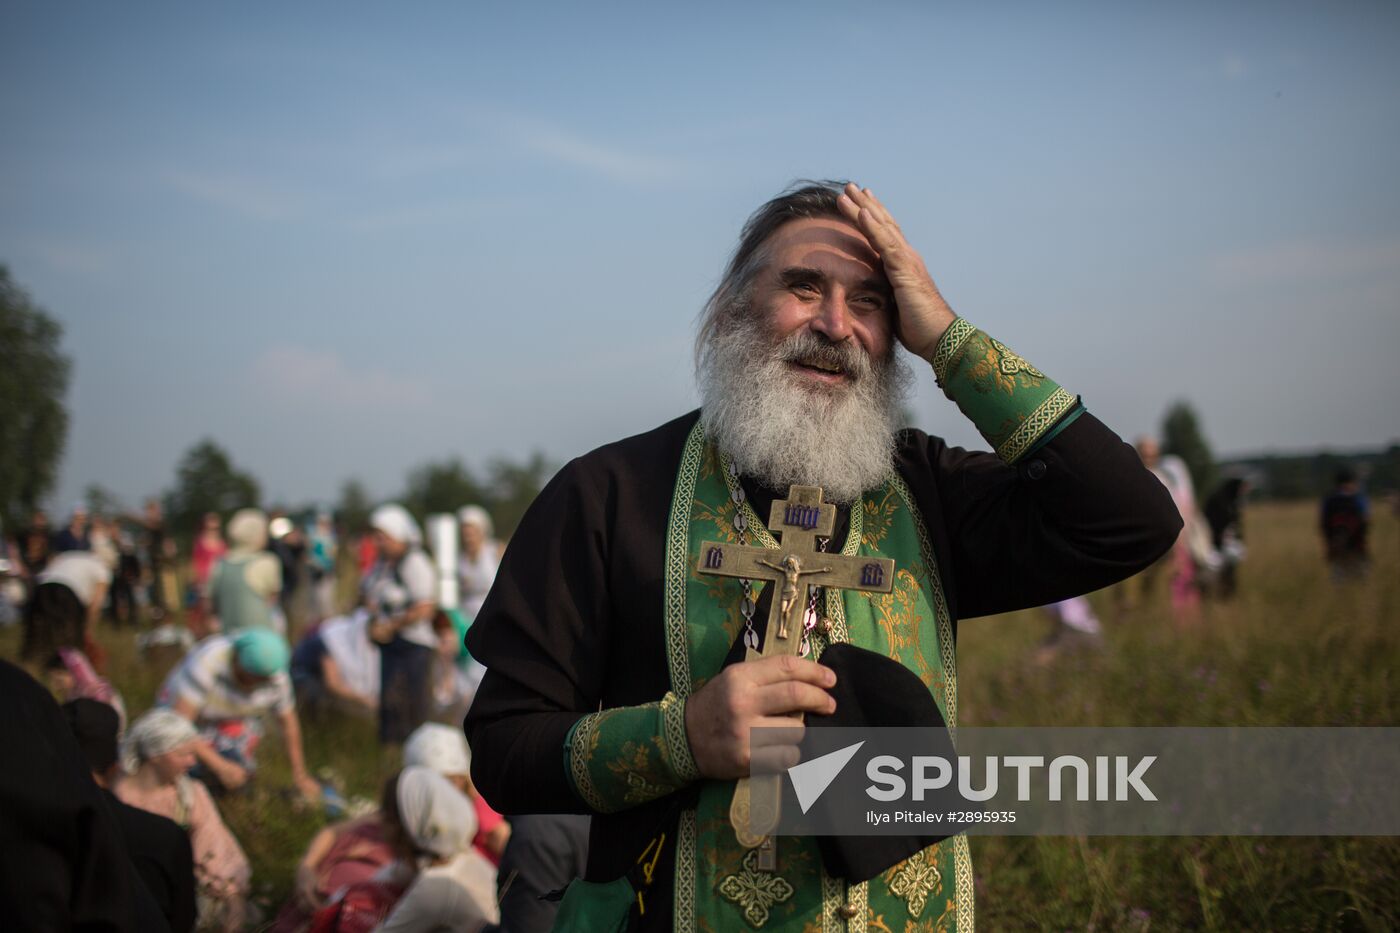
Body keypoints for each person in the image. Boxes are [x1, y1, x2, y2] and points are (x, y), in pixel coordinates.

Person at [463, 181, 1180, 930]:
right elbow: (505, 747)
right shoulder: (607, 495)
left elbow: (1132, 519)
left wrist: (946, 337)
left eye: (869, 301)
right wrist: (682, 735)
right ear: (733, 308)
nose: (836, 325)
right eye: (804, 287)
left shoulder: (924, 491)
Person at [64, 698, 198, 933]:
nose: (191, 762)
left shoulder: (29, 825)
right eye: (182, 753)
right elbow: (183, 919)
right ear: (114, 765)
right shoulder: (165, 837)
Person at [116, 708, 251, 931]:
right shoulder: (114, 791)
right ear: (156, 756)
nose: (191, 762)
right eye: (183, 755)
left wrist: (232, 897)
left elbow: (213, 847)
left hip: (168, 897)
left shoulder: (190, 796)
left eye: (193, 754)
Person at [157, 627, 322, 801]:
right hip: (186, 725)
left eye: (261, 680)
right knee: (185, 767)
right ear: (236, 659)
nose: (254, 684)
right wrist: (219, 766)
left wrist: (299, 774)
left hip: (229, 726)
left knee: (239, 774)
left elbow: (288, 723)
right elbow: (180, 723)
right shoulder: (208, 661)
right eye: (249, 677)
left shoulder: (276, 678)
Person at [372, 766, 499, 933]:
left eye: (386, 815)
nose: (379, 822)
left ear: (404, 826)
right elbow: (391, 875)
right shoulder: (460, 856)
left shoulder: (437, 887)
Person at [361, 504, 439, 745]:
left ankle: (417, 749)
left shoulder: (415, 563)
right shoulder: (383, 565)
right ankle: (392, 752)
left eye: (382, 537)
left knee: (412, 705)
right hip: (392, 645)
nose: (378, 542)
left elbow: (425, 607)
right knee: (390, 704)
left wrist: (391, 626)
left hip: (414, 645)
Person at [402, 722, 510, 865]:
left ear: (461, 778)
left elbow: (511, 849)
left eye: (448, 781)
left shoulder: (479, 808)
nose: (439, 792)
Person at [22, 547, 111, 670]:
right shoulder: (102, 568)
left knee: (37, 635)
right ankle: (67, 670)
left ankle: (28, 665)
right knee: (70, 639)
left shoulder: (68, 555)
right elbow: (95, 605)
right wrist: (87, 629)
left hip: (40, 589)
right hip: (67, 592)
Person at [290, 608, 381, 717]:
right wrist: (365, 700)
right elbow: (333, 683)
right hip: (301, 678)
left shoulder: (366, 646)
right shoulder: (332, 639)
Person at [208, 507, 284, 635]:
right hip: (261, 638)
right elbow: (272, 601)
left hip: (229, 639)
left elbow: (211, 607)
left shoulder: (219, 564)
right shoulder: (267, 562)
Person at [1321, 467, 1369, 581]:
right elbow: (1365, 520)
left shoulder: (1328, 500)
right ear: (1351, 482)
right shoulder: (1358, 499)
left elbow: (1323, 524)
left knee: (1340, 584)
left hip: (1337, 549)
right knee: (1360, 582)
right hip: (1357, 548)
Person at [1203, 476, 1248, 599]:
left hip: (1228, 546)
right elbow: (1210, 522)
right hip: (1214, 544)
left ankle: (1226, 595)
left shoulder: (1233, 501)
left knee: (1228, 572)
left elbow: (1236, 524)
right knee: (1213, 572)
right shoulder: (1218, 500)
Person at [456, 506, 501, 620]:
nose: (468, 537)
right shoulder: (459, 557)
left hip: (492, 611)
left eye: (472, 532)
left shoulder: (495, 550)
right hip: (465, 615)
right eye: (465, 533)